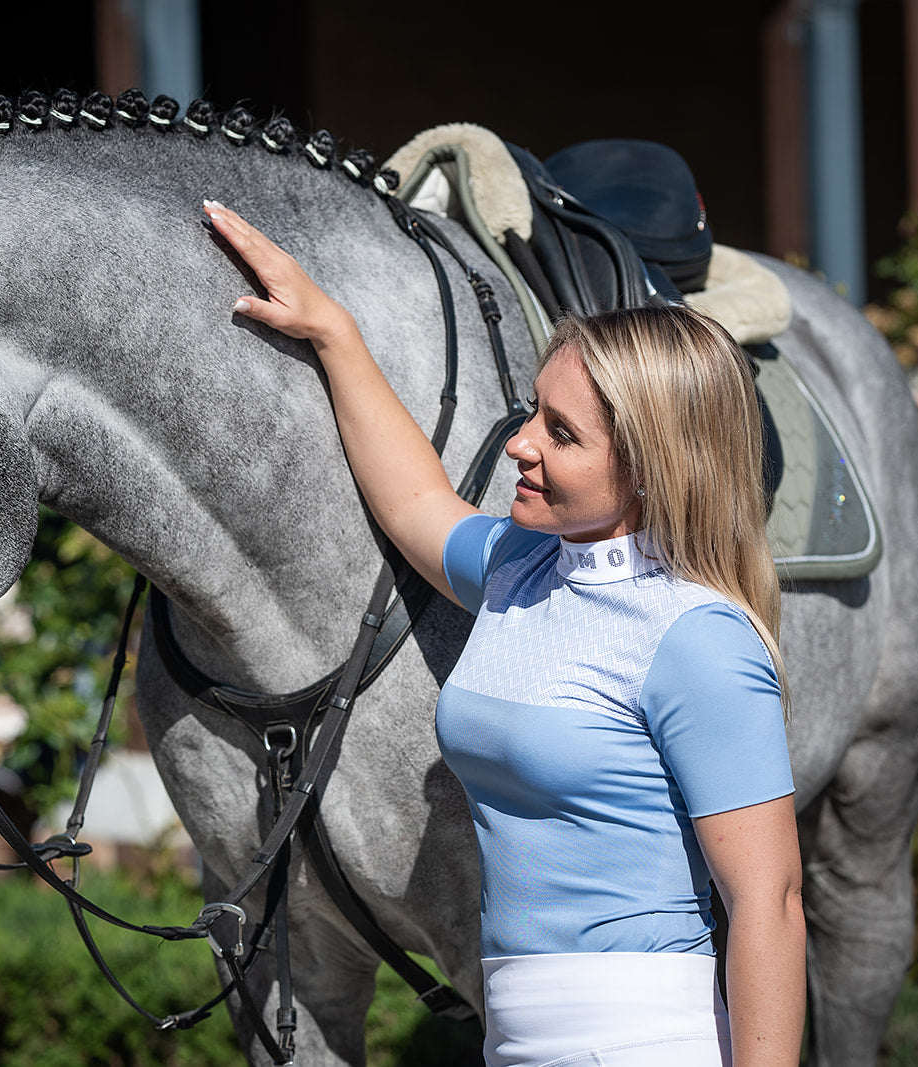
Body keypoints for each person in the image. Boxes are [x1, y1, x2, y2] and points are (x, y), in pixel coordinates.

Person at [202, 200, 805, 1067]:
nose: (520, 443)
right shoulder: (526, 569)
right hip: (516, 1033)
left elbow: (770, 902)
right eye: (533, 411)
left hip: (641, 1038)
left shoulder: (698, 638)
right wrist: (335, 333)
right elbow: (416, 501)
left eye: (562, 433)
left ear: (651, 464)